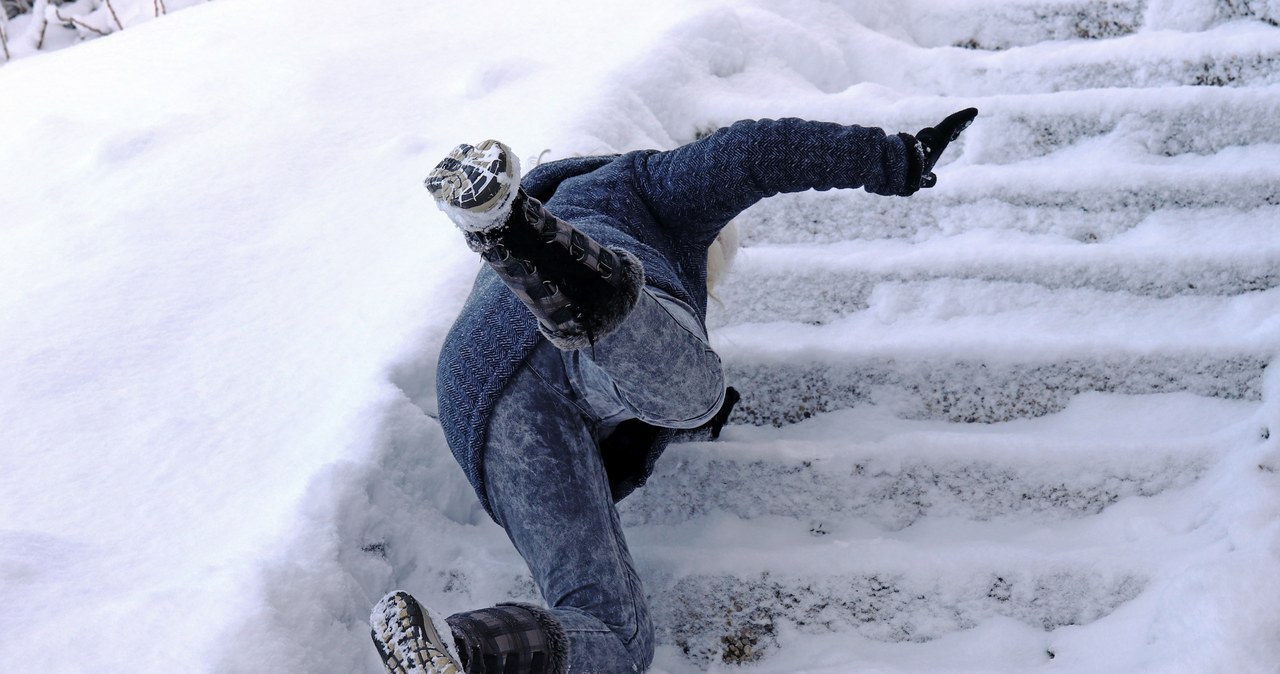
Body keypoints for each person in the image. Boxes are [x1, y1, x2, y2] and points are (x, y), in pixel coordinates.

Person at [370, 109, 979, 674]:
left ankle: (460, 649)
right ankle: (577, 279)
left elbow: (613, 452)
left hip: (478, 393)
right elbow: (754, 152)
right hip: (568, 335)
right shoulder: (639, 185)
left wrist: (646, 444)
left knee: (620, 636)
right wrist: (895, 158)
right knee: (696, 390)